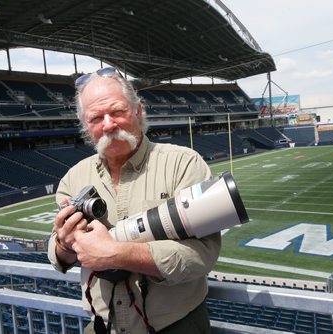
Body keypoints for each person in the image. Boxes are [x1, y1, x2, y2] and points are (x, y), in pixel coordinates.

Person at [48, 67, 221, 334]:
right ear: (86, 127)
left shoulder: (183, 163)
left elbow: (204, 254)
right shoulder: (74, 178)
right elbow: (57, 253)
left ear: (138, 110)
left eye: (117, 112)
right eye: (96, 118)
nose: (108, 124)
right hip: (103, 326)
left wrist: (117, 254)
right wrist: (65, 244)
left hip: (176, 326)